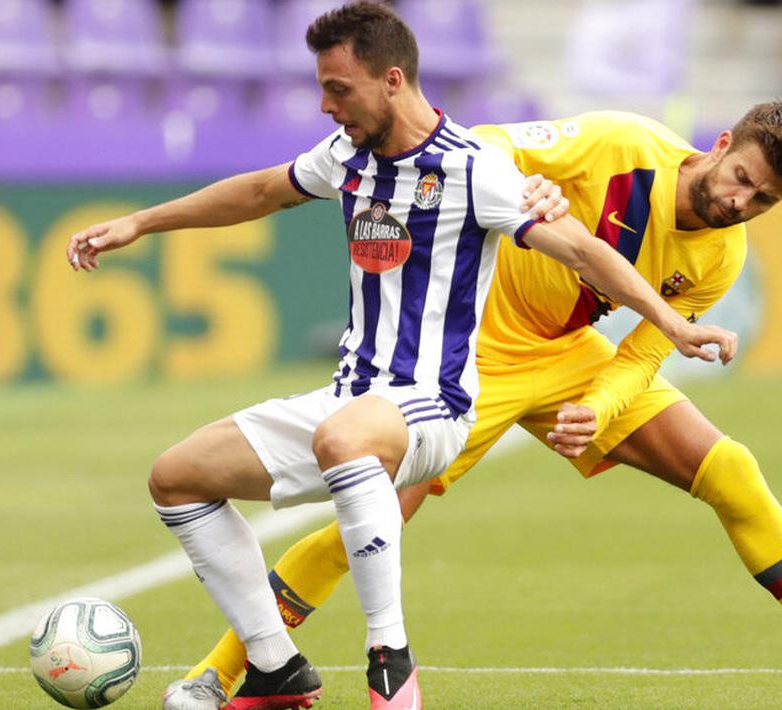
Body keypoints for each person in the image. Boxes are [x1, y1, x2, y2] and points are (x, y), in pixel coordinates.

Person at [163, 103, 782, 710]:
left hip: (568, 359)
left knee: (731, 470)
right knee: (369, 520)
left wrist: (600, 408)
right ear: (719, 146)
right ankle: (219, 675)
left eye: (764, 201)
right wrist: (525, 180)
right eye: (743, 179)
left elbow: (645, 353)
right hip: (470, 355)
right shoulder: (622, 144)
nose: (742, 203)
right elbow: (481, 146)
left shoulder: (721, 254)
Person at [67, 4, 735, 710]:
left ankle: (389, 657)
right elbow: (262, 189)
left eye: (338, 89)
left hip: (433, 404)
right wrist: (140, 222)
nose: (327, 107)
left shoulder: (474, 168)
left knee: (343, 437)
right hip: (350, 397)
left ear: (391, 80)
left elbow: (583, 250)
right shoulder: (347, 157)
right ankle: (274, 668)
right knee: (176, 478)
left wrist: (670, 323)